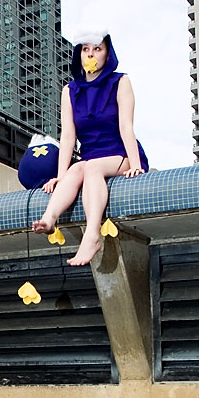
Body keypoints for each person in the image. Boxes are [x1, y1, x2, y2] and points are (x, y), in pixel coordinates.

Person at [32, 30, 148, 266]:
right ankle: (49, 219)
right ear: (79, 54)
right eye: (85, 49)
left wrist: (136, 165)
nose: (91, 54)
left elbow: (126, 126)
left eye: (97, 49)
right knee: (76, 170)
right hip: (90, 158)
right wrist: (61, 176)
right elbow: (68, 137)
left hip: (120, 153)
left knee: (91, 167)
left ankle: (92, 235)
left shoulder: (121, 82)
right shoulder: (70, 91)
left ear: (107, 54)